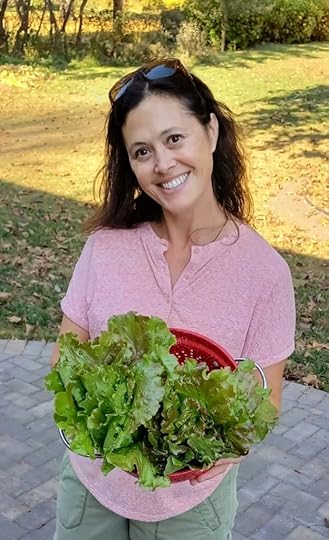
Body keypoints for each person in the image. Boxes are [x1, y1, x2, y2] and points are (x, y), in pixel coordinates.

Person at [50, 58, 296, 540]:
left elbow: (265, 399)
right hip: (91, 487)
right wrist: (95, 415)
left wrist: (233, 443)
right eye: (142, 151)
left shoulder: (264, 272)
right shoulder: (106, 247)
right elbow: (66, 358)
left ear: (210, 129)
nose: (162, 163)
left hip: (190, 505)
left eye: (174, 138)